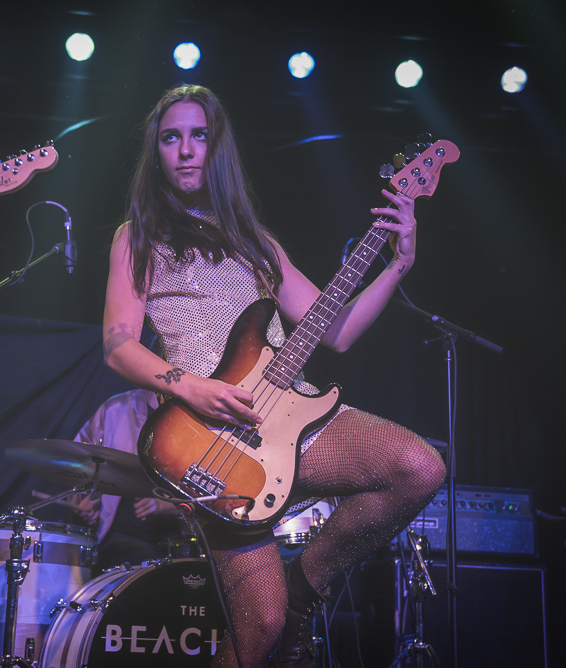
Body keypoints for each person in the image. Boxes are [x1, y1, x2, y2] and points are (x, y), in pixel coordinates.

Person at [101, 84, 446, 667]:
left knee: (420, 467)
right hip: (212, 441)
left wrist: (400, 263)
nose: (185, 149)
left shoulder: (258, 242)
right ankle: (284, 607)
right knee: (260, 629)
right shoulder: (137, 236)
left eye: (198, 135)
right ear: (155, 152)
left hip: (295, 418)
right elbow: (118, 346)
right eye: (170, 137)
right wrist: (192, 387)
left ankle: (305, 587)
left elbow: (337, 331)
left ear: (218, 147)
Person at [68, 389, 193, 572]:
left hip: (180, 541)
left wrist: (170, 505)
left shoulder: (199, 416)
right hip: (116, 537)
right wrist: (86, 499)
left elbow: (217, 498)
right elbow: (74, 464)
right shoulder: (115, 409)